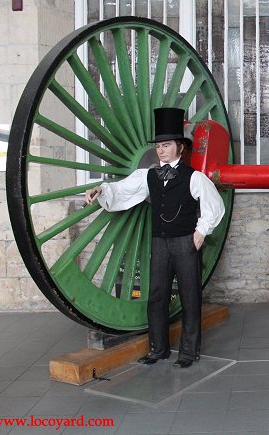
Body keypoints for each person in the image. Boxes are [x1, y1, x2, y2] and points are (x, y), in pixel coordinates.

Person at [84, 107, 225, 368]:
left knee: (190, 297)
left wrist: (201, 232)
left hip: (185, 242)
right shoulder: (147, 175)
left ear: (180, 148)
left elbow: (213, 204)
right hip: (159, 243)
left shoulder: (194, 177)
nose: (161, 150)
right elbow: (121, 190)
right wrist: (100, 188)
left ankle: (187, 352)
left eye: (167, 145)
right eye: (159, 146)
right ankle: (157, 349)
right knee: (157, 295)